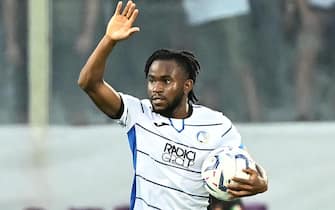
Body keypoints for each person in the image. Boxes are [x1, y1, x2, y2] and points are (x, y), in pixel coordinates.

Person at [78, 1, 268, 209]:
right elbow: (89, 83)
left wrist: (261, 182)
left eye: (166, 81)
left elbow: (247, 166)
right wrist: (108, 41)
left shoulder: (216, 124)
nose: (156, 88)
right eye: (152, 80)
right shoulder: (139, 114)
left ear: (187, 85)